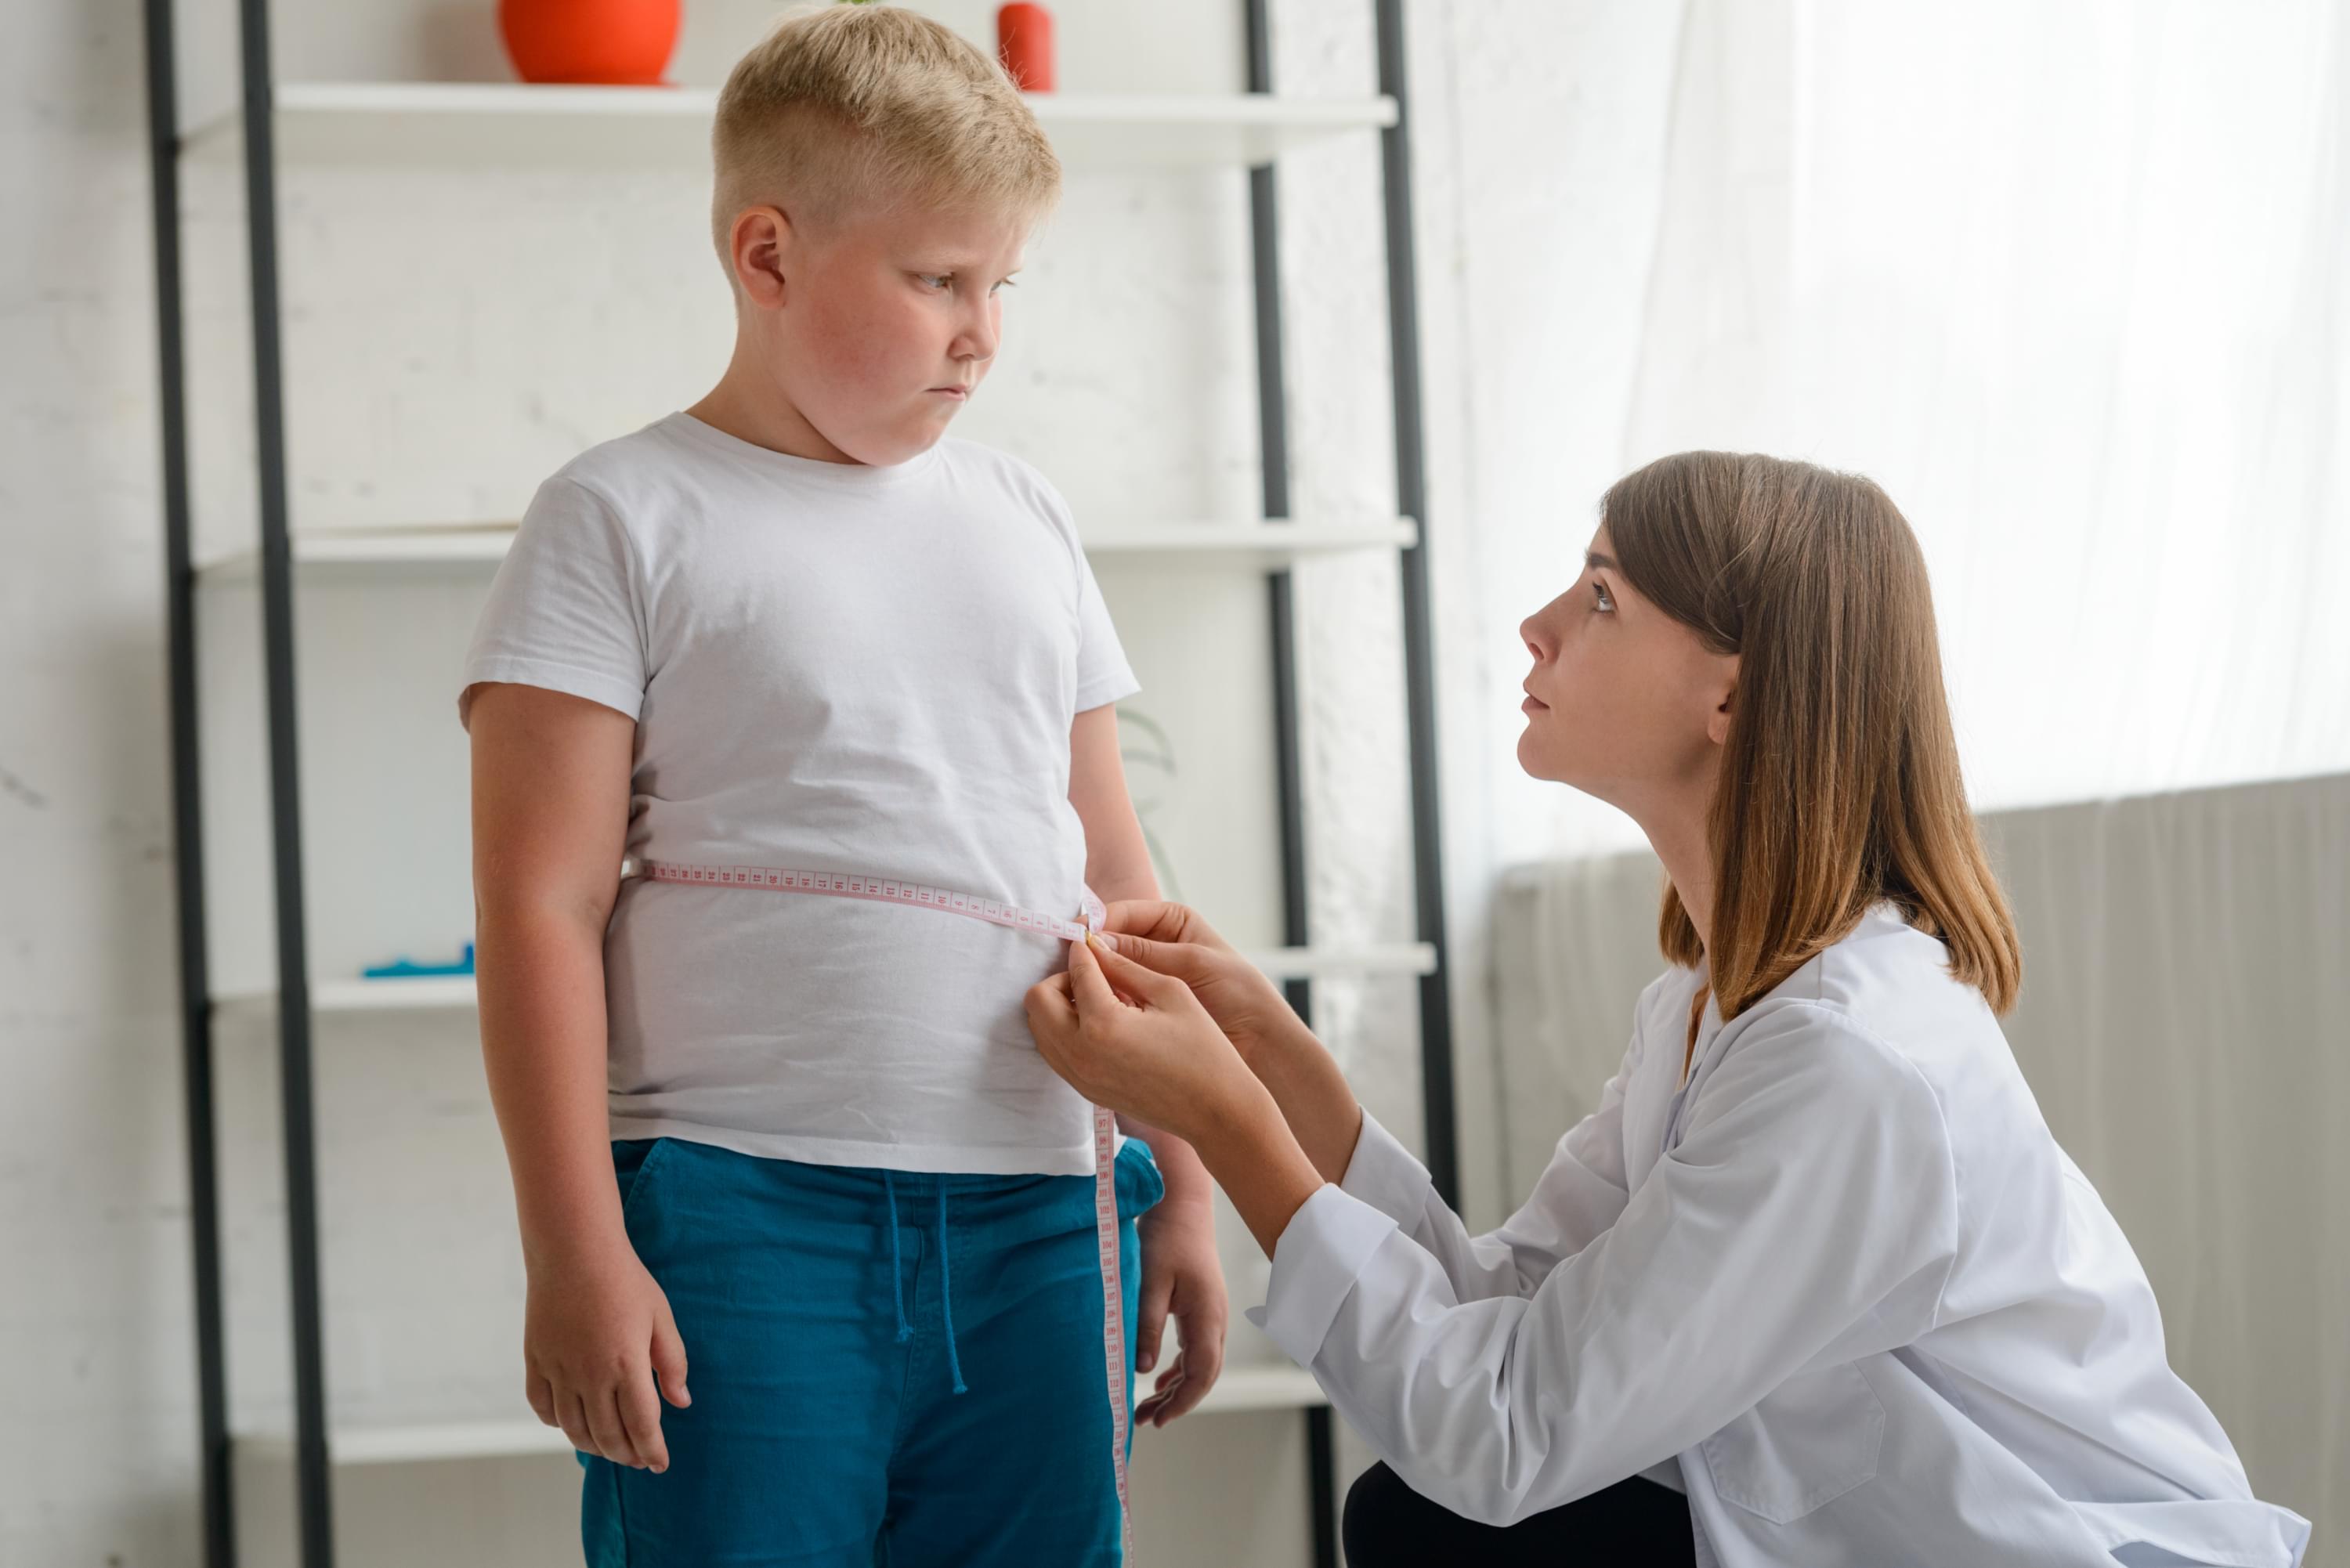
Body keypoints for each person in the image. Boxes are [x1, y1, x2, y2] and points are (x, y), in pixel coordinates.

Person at [1025, 451, 2312, 1567]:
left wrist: (1227, 1123)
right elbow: (1503, 1308)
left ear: (1734, 696)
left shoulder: (1843, 1063)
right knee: (1422, 1522)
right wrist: (1277, 1055)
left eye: (1599, 597)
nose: (1537, 627)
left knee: (1448, 1524)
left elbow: (1507, 1432)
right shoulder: (1716, 1007)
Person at [459, 9, 1227, 1563]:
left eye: (1001, 282)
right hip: (742, 1217)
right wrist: (574, 1250)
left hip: (1034, 1214)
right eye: (939, 277)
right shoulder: (620, 516)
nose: (982, 330)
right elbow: (541, 904)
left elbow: (1120, 879)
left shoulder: (1025, 519)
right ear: (769, 256)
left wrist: (1187, 1187)